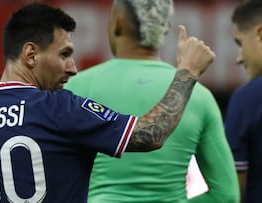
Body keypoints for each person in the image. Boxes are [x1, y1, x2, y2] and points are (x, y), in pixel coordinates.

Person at [0, 2, 215, 203]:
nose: (72, 67)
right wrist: (187, 72)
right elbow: (151, 134)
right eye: (64, 54)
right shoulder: (61, 109)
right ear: (31, 54)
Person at [64, 0, 239, 202]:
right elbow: (227, 196)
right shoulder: (199, 95)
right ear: (165, 29)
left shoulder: (76, 88)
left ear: (118, 23)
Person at [225, 1, 262, 203]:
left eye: (240, 43)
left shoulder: (246, 100)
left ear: (260, 34)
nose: (239, 58)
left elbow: (231, 193)